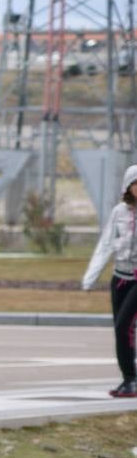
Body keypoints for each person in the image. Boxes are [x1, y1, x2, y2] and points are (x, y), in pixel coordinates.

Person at [81, 163, 137, 398]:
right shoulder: (119, 213)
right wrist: (90, 277)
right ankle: (128, 380)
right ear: (128, 186)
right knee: (120, 329)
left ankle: (132, 379)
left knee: (125, 325)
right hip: (119, 279)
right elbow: (105, 245)